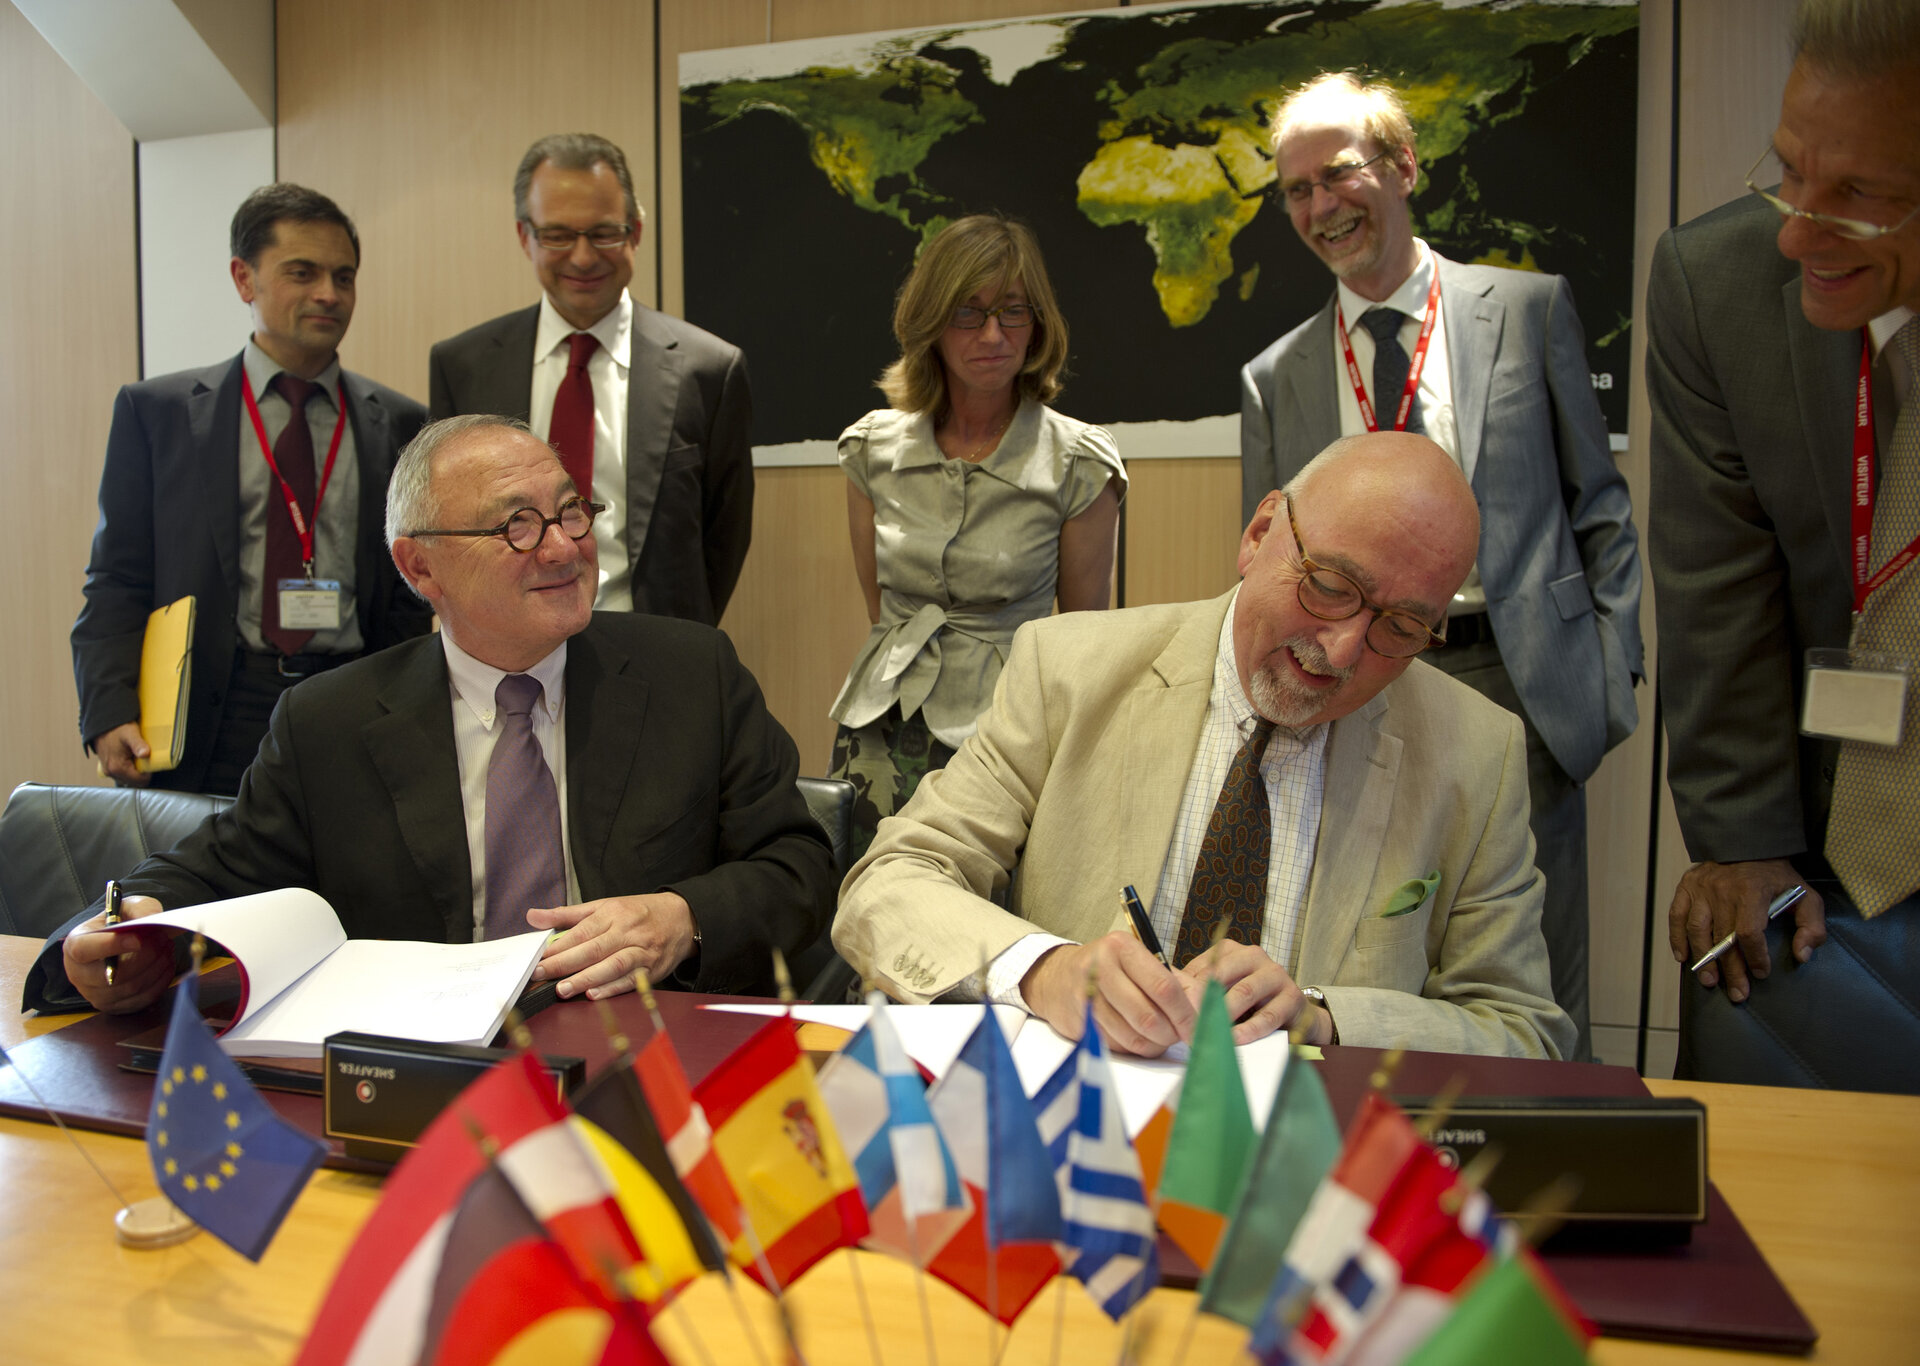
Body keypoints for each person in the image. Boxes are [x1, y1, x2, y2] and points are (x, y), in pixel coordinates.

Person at [27, 416, 835, 1016]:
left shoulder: (691, 675)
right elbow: (211, 872)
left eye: (570, 511)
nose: (562, 547)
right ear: (420, 566)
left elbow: (799, 867)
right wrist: (128, 922)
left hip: (643, 1053)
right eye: (517, 525)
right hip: (427, 1075)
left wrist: (684, 919)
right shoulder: (329, 725)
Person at [835, 431, 1575, 1063]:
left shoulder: (1477, 752)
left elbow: (1523, 1029)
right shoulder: (1066, 672)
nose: (1345, 648)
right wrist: (1047, 970)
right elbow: (891, 882)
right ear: (1258, 535)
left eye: (1402, 628)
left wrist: (1324, 1018)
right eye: (1330, 586)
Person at [1238, 72, 1643, 1058]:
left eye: (1337, 174)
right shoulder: (1274, 374)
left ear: (1404, 165)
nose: (1320, 206)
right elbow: (1266, 558)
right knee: (1368, 951)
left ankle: (1543, 1180)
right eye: (1295, 189)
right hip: (1359, 675)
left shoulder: (1529, 308)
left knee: (1535, 980)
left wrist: (1610, 674)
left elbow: (1599, 506)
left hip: (1519, 682)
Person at [1648, 0, 1920, 1011]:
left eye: (1858, 195)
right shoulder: (1714, 286)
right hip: (1824, 828)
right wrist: (1743, 841)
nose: (1798, 229)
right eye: (1790, 170)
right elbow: (1716, 586)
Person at [71, 184, 431, 797]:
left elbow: (410, 593)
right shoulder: (157, 413)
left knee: (336, 890)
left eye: (344, 277)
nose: (329, 294)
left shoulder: (400, 423)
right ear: (245, 278)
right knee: (194, 890)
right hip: (216, 704)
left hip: (348, 702)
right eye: (303, 272)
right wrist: (106, 708)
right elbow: (118, 576)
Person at [829, 214, 1125, 860]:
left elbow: (1081, 645)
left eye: (1012, 312)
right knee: (871, 918)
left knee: (984, 930)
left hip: (1004, 734)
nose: (993, 335)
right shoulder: (872, 449)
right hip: (881, 727)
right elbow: (883, 613)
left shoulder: (1079, 462)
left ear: (1038, 323)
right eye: (969, 312)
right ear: (931, 320)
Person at [428, 133, 752, 626]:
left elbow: (723, 538)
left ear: (635, 232)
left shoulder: (709, 370)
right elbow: (450, 524)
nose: (582, 257)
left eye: (603, 233)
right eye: (558, 235)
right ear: (525, 236)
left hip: (653, 649)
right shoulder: (463, 367)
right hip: (506, 643)